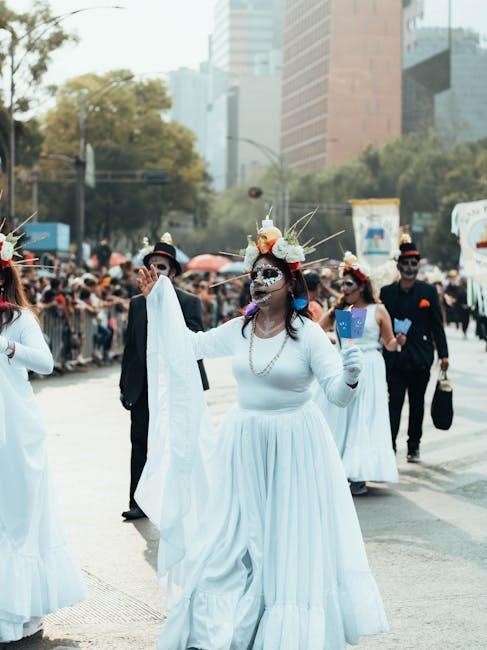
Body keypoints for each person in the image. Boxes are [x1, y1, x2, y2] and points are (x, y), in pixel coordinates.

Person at [135, 220, 388, 649]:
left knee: (285, 540)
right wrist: (159, 298)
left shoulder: (309, 334)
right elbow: (188, 345)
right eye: (255, 274)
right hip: (243, 443)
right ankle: (220, 622)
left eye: (270, 274)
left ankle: (280, 627)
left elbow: (336, 395)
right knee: (229, 537)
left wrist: (349, 377)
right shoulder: (239, 330)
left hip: (294, 445)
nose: (259, 281)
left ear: (290, 282)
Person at [0, 233, 86, 643]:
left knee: (17, 514)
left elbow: (47, 363)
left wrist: (7, 346)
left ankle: (20, 608)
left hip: (15, 429)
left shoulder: (19, 319)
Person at [119, 236, 209, 521]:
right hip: (144, 386)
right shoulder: (137, 304)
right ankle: (138, 501)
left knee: (180, 443)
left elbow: (194, 344)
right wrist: (125, 385)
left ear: (173, 273)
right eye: (152, 266)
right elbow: (130, 347)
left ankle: (182, 498)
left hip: (176, 386)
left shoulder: (189, 303)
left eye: (162, 267)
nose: (155, 271)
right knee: (140, 442)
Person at [318, 252, 401, 496]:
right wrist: (331, 343)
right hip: (343, 362)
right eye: (342, 284)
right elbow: (317, 330)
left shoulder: (378, 310)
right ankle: (337, 468)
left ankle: (358, 472)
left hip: (370, 366)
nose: (343, 288)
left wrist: (399, 341)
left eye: (348, 283)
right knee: (340, 415)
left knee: (364, 416)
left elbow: (389, 344)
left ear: (362, 285)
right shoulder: (340, 309)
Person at [380, 237, 449, 462]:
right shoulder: (387, 293)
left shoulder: (428, 292)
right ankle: (389, 446)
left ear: (418, 266)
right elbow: (377, 322)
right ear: (399, 266)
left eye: (413, 264)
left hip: (420, 357)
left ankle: (413, 446)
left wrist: (444, 354)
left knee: (417, 404)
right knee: (394, 402)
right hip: (394, 358)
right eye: (406, 263)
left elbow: (437, 325)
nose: (410, 268)